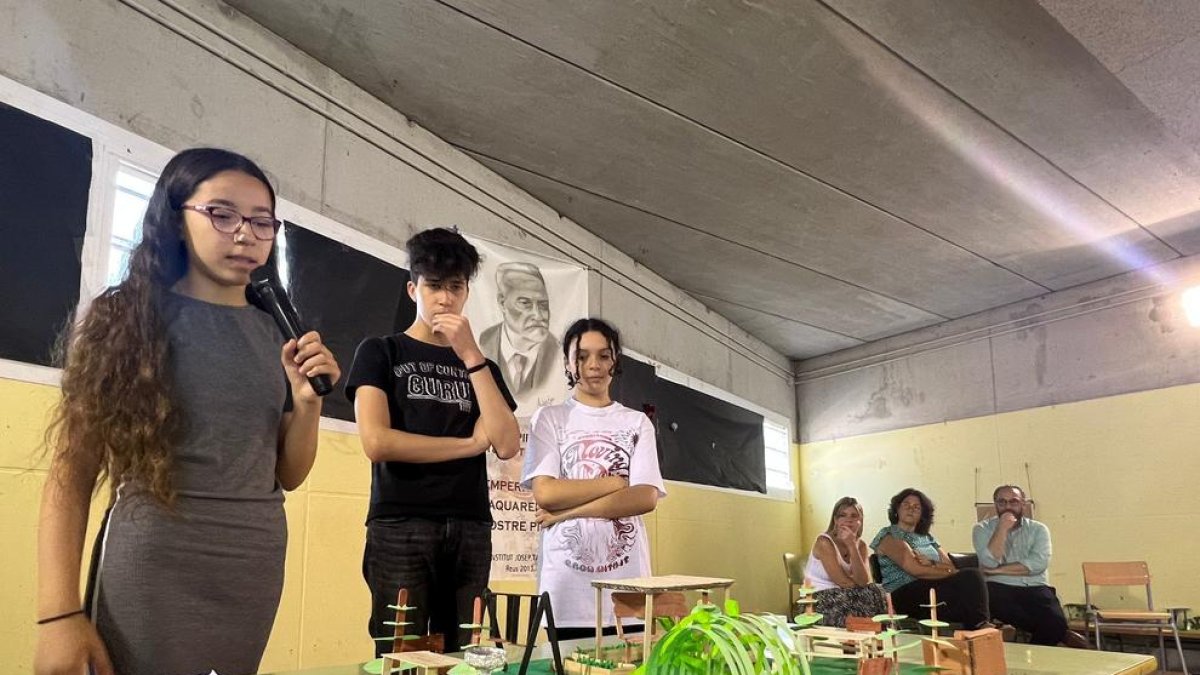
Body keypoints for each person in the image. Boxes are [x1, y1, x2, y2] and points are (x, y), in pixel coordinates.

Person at [34, 148, 340, 675]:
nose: (245, 234)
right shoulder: (127, 316)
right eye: (222, 214)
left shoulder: (277, 330)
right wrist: (58, 615)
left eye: (262, 222)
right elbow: (72, 470)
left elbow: (288, 475)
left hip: (253, 566)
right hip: (153, 563)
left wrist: (308, 405)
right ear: (176, 219)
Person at [346, 227, 521, 655]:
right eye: (434, 286)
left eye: (455, 287)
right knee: (401, 652)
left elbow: (507, 443)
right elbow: (377, 442)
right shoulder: (381, 351)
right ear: (413, 288)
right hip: (401, 522)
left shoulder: (483, 368)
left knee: (466, 651)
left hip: (471, 525)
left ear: (466, 293)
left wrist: (471, 355)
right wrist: (466, 445)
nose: (444, 299)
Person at [522, 318, 666, 639]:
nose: (593, 365)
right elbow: (546, 494)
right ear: (567, 362)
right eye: (582, 355)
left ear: (615, 360)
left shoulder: (636, 422)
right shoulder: (550, 418)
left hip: (628, 590)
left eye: (603, 355)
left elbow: (645, 498)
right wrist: (615, 483)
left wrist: (568, 511)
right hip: (566, 593)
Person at [973, 485, 1089, 647]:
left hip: (1035, 586)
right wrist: (1002, 529)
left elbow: (1038, 564)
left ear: (1023, 504)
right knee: (1049, 627)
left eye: (1013, 502)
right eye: (1002, 502)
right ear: (995, 505)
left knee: (1055, 622)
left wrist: (997, 570)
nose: (1007, 507)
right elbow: (989, 561)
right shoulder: (982, 529)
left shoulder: (1039, 529)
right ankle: (1061, 636)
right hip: (999, 587)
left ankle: (1036, 654)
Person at [871, 488, 990, 629]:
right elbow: (915, 570)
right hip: (904, 593)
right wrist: (948, 571)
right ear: (897, 509)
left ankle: (978, 629)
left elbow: (950, 566)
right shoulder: (889, 535)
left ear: (922, 514)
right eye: (906, 505)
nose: (911, 509)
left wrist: (932, 563)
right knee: (971, 576)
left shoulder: (927, 538)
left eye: (917, 507)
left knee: (974, 588)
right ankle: (982, 627)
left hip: (933, 587)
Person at [479, 262, 558, 404]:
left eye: (543, 305)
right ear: (502, 303)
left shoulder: (559, 355)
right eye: (525, 303)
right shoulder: (481, 344)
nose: (538, 315)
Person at [804, 497, 887, 627]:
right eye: (843, 515)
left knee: (877, 590)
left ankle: (879, 636)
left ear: (860, 521)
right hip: (818, 598)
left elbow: (863, 580)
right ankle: (867, 633)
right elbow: (842, 581)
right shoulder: (824, 542)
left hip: (846, 594)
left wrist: (852, 545)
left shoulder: (861, 546)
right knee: (862, 595)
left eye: (854, 516)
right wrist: (861, 588)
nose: (849, 520)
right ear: (835, 520)